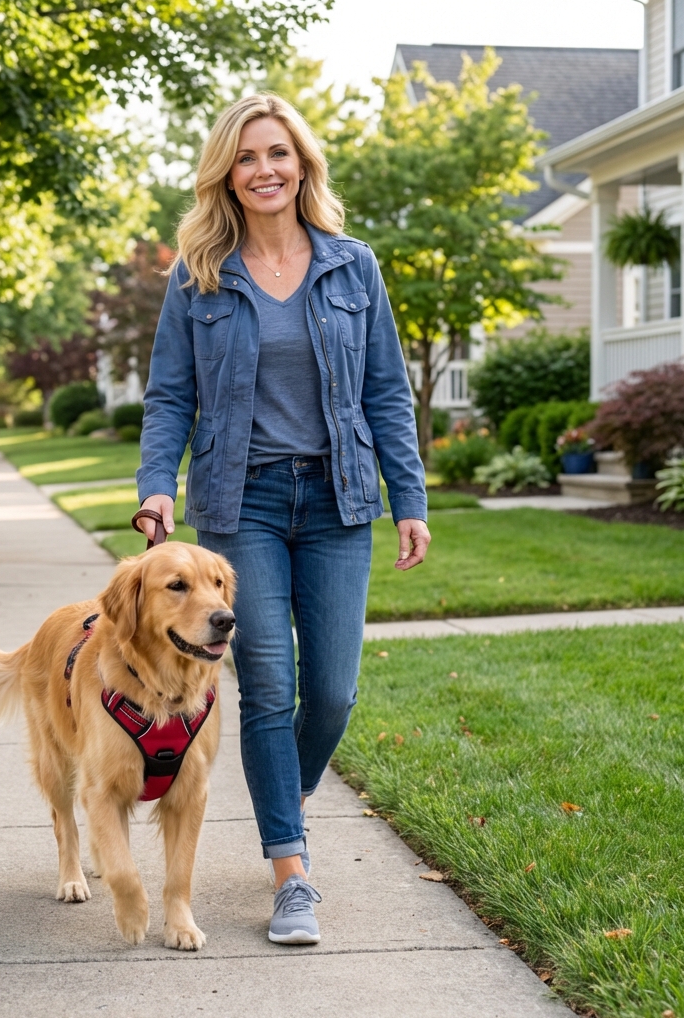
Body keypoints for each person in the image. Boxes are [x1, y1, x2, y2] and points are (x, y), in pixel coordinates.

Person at [134, 94, 431, 945]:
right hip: (240, 503)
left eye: (278, 153)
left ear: (302, 164)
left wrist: (406, 496)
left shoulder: (352, 266)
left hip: (338, 498)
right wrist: (159, 486)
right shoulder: (198, 276)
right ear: (226, 173)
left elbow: (385, 392)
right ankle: (291, 874)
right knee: (268, 688)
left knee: (332, 693)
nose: (264, 170)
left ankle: (280, 795)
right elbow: (169, 398)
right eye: (246, 157)